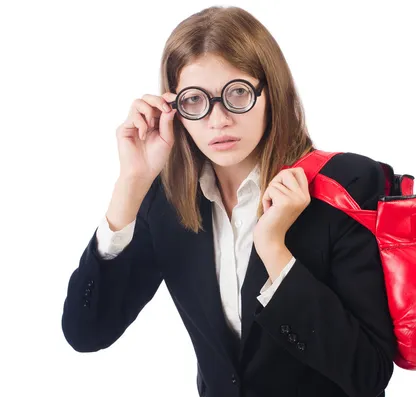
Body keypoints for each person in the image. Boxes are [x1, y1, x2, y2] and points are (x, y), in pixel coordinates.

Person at [61, 5, 397, 397]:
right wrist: (130, 186)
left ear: (270, 92)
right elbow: (86, 332)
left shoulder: (347, 184)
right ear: (174, 109)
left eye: (237, 93)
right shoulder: (166, 203)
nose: (217, 120)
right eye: (194, 100)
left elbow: (369, 374)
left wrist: (274, 251)